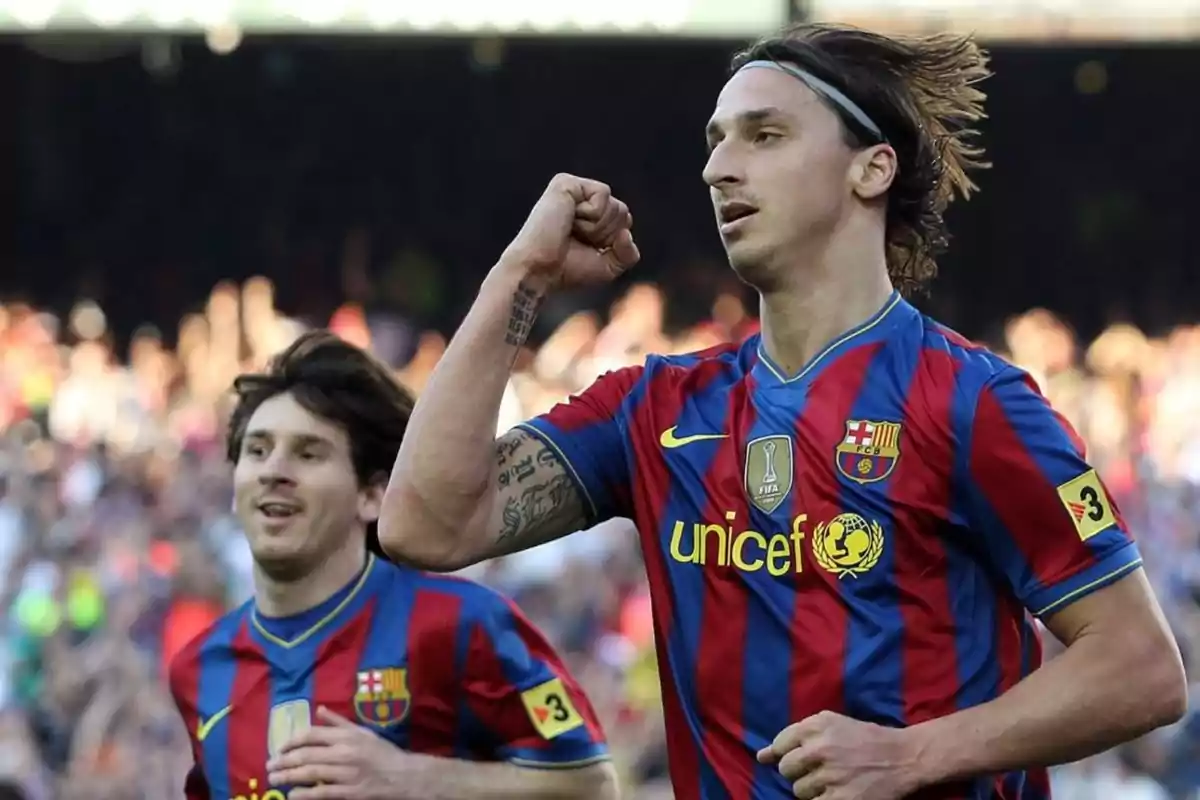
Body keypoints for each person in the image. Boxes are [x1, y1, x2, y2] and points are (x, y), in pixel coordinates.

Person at [379, 21, 1188, 800]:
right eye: (716, 141)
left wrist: (911, 757)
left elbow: (1141, 668)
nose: (720, 169)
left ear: (870, 170)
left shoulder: (976, 402)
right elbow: (426, 525)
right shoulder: (654, 409)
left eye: (763, 136)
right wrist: (518, 275)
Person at [167, 331, 617, 800]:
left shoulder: (460, 625)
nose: (273, 471)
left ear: (372, 495)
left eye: (308, 453)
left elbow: (592, 786)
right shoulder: (199, 669)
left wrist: (414, 779)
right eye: (257, 450)